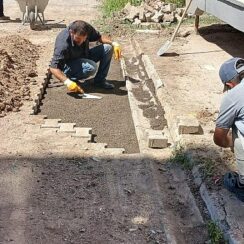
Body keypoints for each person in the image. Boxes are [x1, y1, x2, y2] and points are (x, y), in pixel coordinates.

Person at [49, 20, 122, 94]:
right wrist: (67, 82)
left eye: (84, 39)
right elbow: (53, 67)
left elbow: (99, 37)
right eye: (78, 39)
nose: (81, 42)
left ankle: (99, 81)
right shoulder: (63, 44)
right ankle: (71, 78)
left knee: (108, 48)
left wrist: (114, 43)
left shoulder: (85, 28)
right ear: (72, 33)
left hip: (84, 55)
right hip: (70, 65)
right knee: (91, 67)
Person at [214, 57, 244, 202]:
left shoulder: (233, 95)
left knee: (237, 129)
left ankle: (242, 184)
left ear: (229, 84)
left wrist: (231, 143)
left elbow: (219, 138)